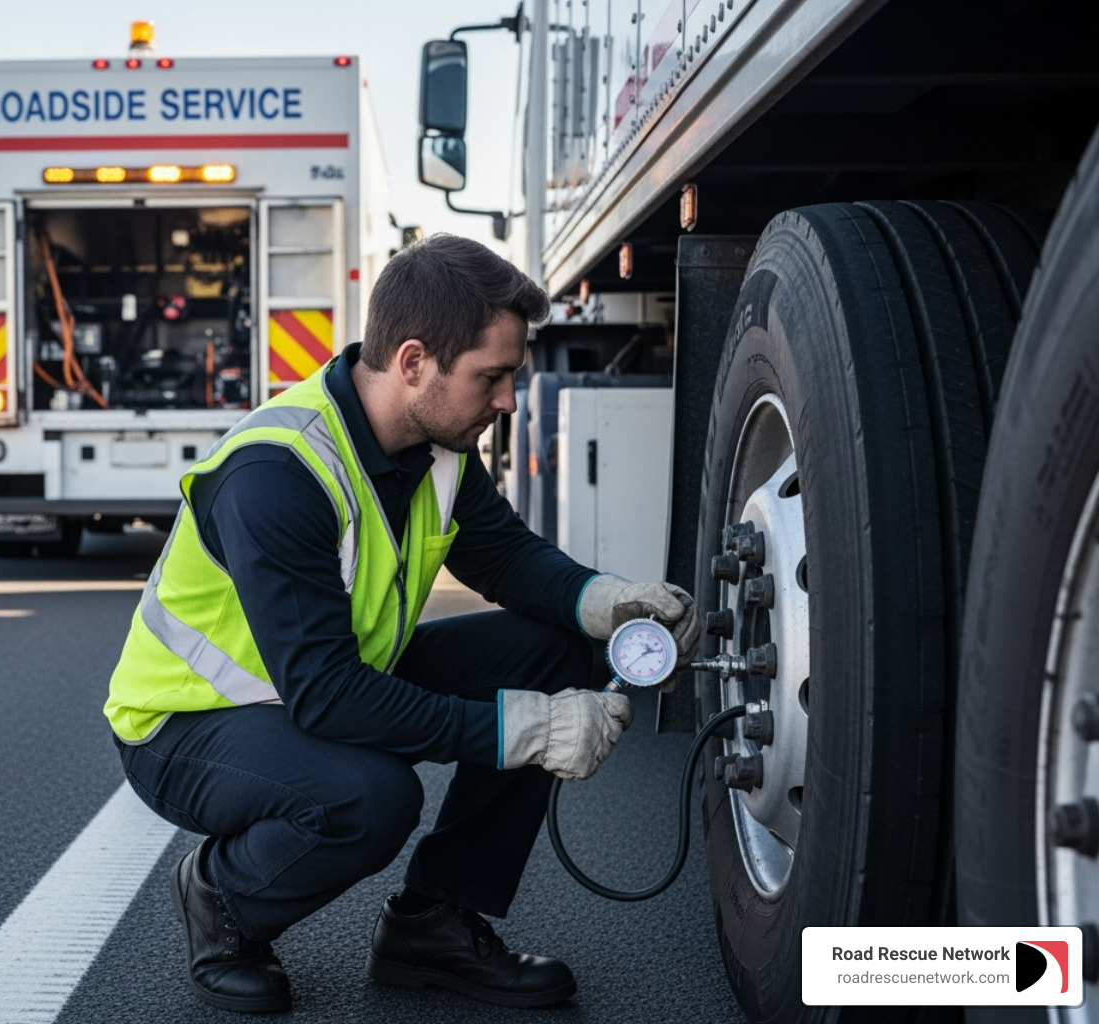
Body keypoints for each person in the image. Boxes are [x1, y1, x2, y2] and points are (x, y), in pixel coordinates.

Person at [104, 233, 701, 1014]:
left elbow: (508, 560)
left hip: (323, 684)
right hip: (190, 726)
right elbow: (327, 699)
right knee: (370, 799)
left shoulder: (436, 443)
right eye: (492, 377)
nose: (508, 401)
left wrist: (610, 602)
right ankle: (223, 896)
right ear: (413, 362)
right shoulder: (276, 475)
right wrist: (530, 731)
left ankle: (435, 925)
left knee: (554, 649)